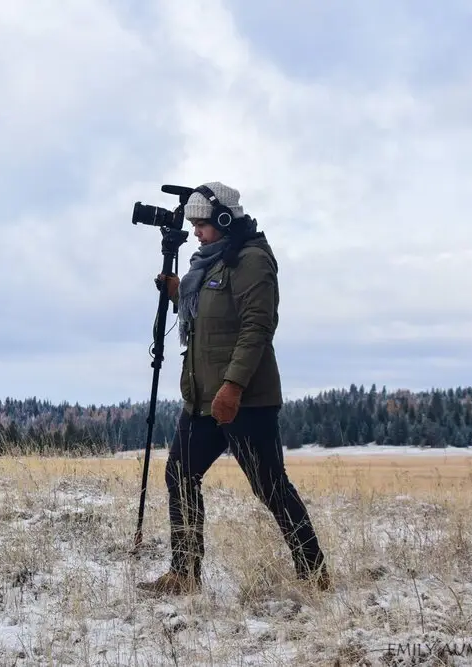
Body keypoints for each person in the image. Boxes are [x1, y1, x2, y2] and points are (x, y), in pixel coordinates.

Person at [137, 182, 330, 595]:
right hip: (201, 399)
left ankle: (314, 573)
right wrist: (177, 293)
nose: (196, 232)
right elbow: (209, 319)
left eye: (202, 224)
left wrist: (233, 386)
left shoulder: (252, 260)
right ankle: (184, 573)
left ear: (225, 219)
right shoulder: (208, 263)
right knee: (180, 475)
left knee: (271, 488)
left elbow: (256, 327)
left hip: (245, 400)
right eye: (193, 224)